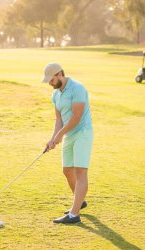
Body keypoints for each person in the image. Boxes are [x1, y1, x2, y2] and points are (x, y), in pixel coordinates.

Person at [42, 63, 93, 224]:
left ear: (59, 75)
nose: (49, 83)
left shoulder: (77, 88)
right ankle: (80, 202)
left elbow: (76, 117)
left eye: (51, 80)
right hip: (69, 134)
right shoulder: (55, 95)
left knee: (80, 172)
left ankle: (74, 214)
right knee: (67, 170)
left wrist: (59, 135)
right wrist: (53, 138)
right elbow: (59, 119)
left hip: (82, 133)